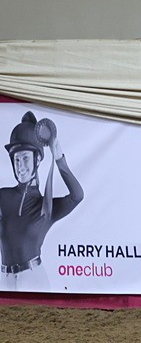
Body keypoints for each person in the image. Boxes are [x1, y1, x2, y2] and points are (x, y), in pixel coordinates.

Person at [0, 112, 85, 292]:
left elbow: (77, 196)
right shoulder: (2, 196)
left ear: (37, 159)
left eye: (25, 158)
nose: (20, 166)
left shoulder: (47, 206)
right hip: (3, 278)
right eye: (16, 159)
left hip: (33, 278)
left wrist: (59, 158)